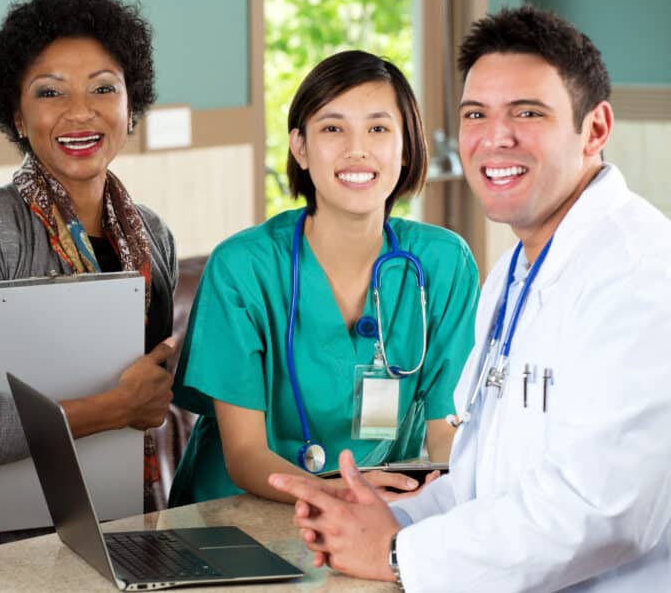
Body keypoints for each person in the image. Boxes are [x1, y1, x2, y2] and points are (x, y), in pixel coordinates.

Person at [271, 6, 671, 591]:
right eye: (476, 114)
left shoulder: (639, 274)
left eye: (528, 113)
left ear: (596, 129)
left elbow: (607, 511)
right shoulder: (515, 270)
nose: (496, 137)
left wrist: (398, 555)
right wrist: (386, 523)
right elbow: (482, 481)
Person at [0, 0, 178, 557]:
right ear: (16, 112)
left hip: (126, 530)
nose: (81, 112)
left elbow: (156, 393)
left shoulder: (152, 237)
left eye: (104, 88)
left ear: (132, 105)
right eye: (50, 92)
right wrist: (112, 411)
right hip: (4, 551)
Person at [169, 51, 479, 507]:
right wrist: (339, 494)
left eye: (378, 128)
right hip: (237, 516)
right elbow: (244, 453)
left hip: (376, 512)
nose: (357, 149)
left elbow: (446, 429)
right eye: (333, 128)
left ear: (406, 147)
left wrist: (457, 501)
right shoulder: (242, 267)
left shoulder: (444, 263)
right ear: (300, 148)